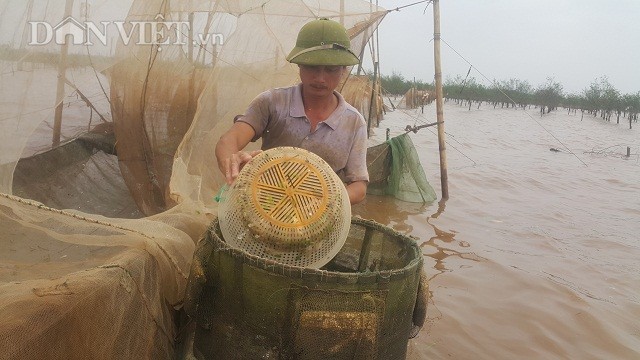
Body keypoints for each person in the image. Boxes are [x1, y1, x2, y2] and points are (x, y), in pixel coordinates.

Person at [215, 18, 369, 204]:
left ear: (343, 70)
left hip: (319, 210)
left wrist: (327, 200)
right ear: (299, 66)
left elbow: (359, 187)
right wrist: (233, 163)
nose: (320, 78)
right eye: (312, 67)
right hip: (265, 201)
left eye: (331, 69)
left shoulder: (353, 122)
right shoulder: (272, 102)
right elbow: (228, 141)